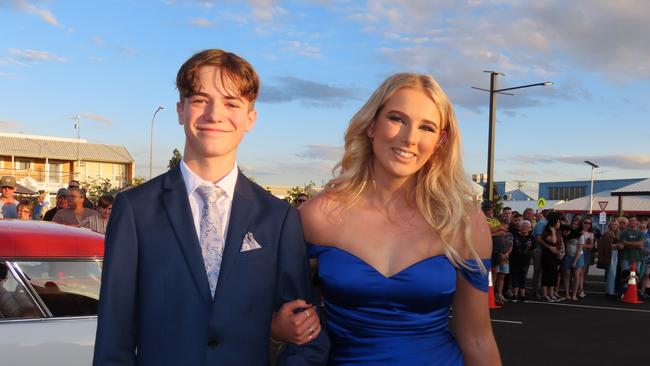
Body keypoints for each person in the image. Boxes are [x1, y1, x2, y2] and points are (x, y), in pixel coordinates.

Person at [93, 49, 328, 366]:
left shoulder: (278, 216)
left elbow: (305, 333)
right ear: (181, 110)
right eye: (201, 100)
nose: (214, 114)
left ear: (250, 118)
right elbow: (114, 335)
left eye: (231, 103)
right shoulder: (135, 209)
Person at [298, 73, 500, 364]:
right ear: (371, 125)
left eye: (427, 127)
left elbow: (478, 339)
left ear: (441, 141)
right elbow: (272, 310)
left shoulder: (464, 222)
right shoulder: (319, 214)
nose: (410, 138)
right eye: (397, 119)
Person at [509, 220, 534, 302]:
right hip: (514, 260)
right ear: (519, 227)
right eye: (523, 226)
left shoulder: (531, 237)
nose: (525, 228)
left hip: (525, 261)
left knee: (523, 278)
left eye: (527, 227)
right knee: (514, 278)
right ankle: (515, 295)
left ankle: (522, 295)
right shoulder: (514, 235)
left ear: (530, 228)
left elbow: (533, 247)